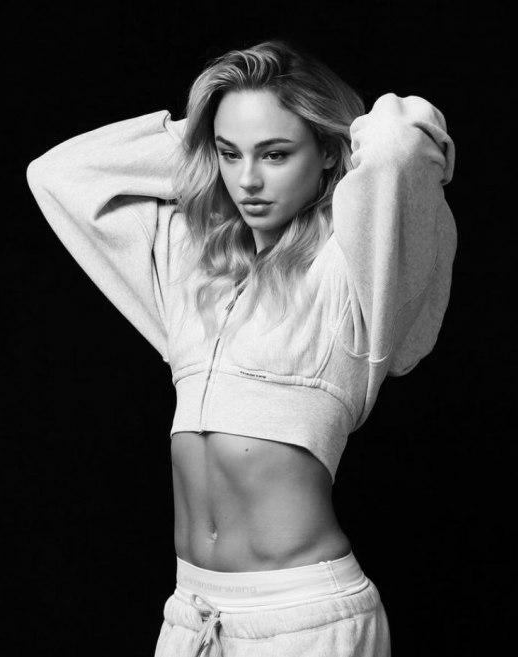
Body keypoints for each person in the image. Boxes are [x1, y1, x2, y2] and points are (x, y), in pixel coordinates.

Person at [27, 40, 457, 656]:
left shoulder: (353, 271)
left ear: (328, 151)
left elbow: (397, 147)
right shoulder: (189, 260)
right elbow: (59, 173)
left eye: (275, 154)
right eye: (229, 154)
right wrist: (208, 138)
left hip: (305, 618)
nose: (248, 180)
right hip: (192, 614)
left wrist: (334, 133)